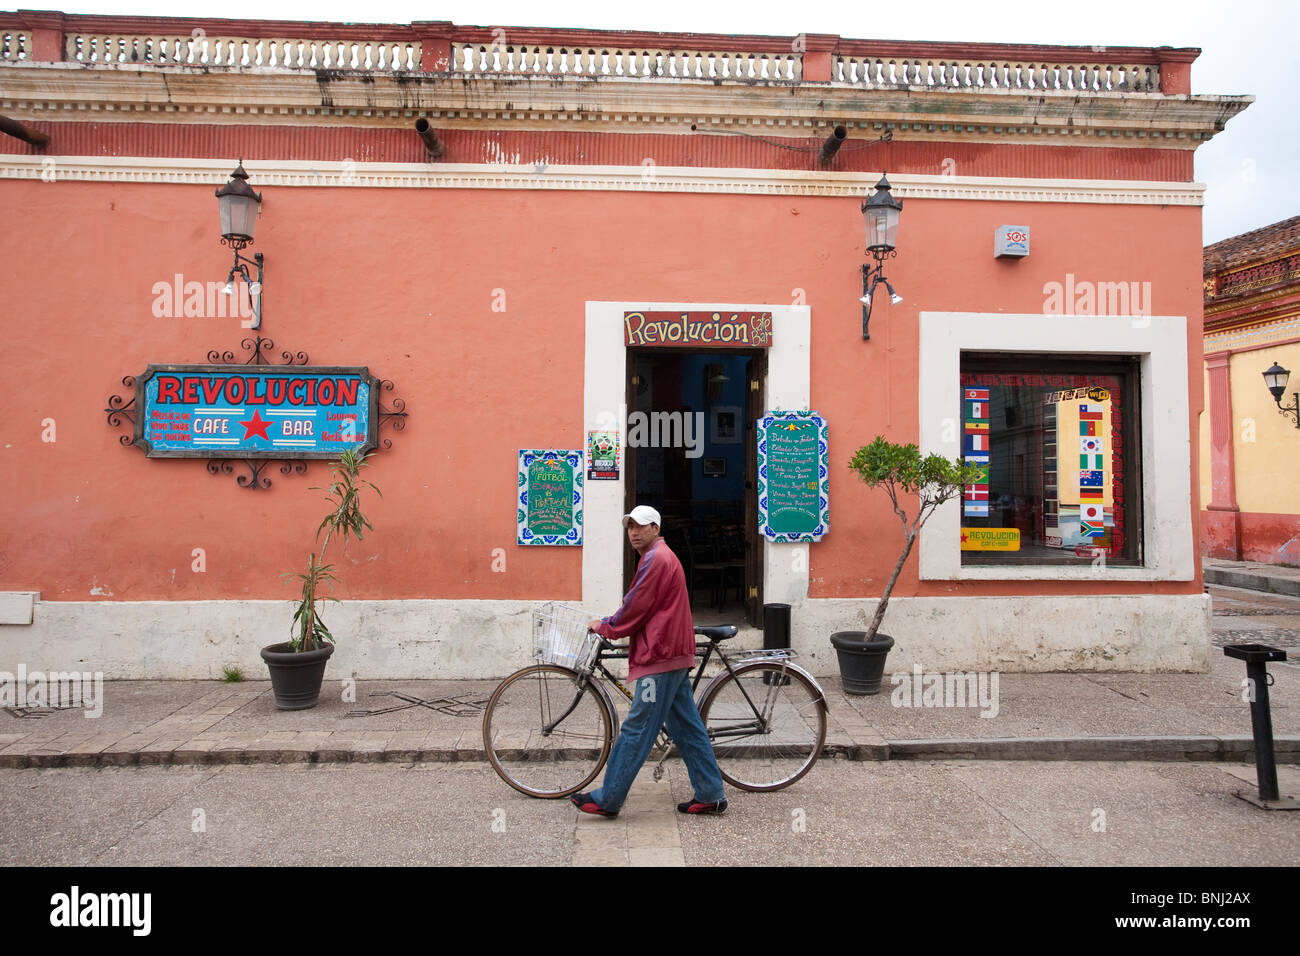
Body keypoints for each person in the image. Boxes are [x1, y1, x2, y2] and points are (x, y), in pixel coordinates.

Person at [570, 505, 728, 818]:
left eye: (641, 526)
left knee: (637, 728)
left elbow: (636, 605)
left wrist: (607, 626)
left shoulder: (657, 559)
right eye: (630, 527)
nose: (634, 532)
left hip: (662, 654)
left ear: (656, 528)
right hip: (669, 652)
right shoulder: (656, 556)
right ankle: (711, 794)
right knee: (688, 728)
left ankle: (608, 798)